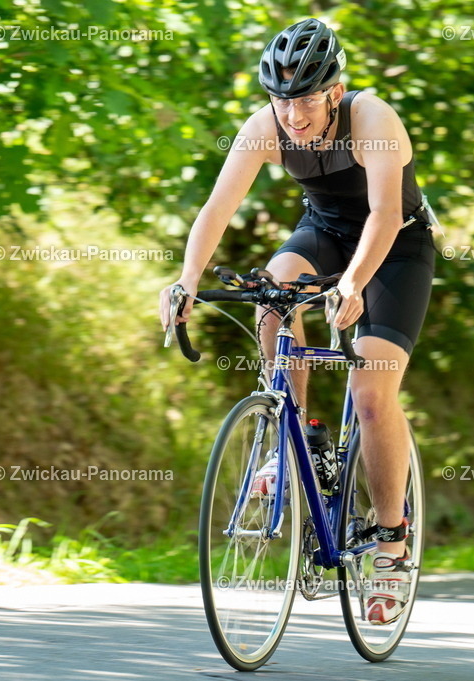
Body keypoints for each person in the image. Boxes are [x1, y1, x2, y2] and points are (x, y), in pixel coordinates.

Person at [158, 18, 436, 625]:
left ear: (334, 91)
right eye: (282, 102)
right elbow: (217, 208)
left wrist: (354, 284)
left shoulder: (375, 119)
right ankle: (295, 433)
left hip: (395, 248)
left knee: (370, 395)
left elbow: (386, 214)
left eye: (307, 100)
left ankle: (391, 539)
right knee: (272, 294)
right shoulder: (264, 128)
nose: (294, 117)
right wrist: (186, 280)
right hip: (325, 233)